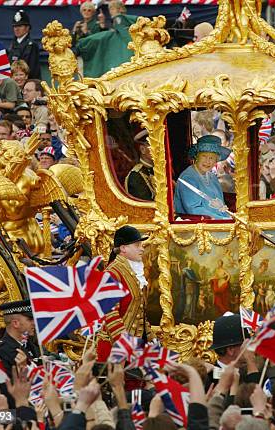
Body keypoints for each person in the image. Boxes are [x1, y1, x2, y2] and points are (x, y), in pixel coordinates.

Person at [98, 225, 151, 360]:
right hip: (116, 349)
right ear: (123, 248)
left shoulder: (134, 270)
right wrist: (125, 344)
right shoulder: (112, 273)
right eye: (137, 245)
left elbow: (140, 312)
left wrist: (150, 337)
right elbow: (110, 314)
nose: (142, 248)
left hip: (137, 344)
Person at [174, 134, 231, 219]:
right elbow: (193, 209)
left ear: (216, 161)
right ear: (196, 156)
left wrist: (228, 217)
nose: (207, 161)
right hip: (197, 226)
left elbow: (220, 206)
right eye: (204, 156)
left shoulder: (212, 177)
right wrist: (222, 219)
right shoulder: (188, 177)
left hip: (217, 222)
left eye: (211, 158)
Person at [0, 299, 40, 377]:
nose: (34, 323)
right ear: (15, 323)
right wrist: (23, 371)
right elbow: (6, 387)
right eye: (30, 319)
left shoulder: (31, 345)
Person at [8, 10, 41, 79]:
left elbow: (33, 71)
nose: (17, 29)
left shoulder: (32, 45)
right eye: (15, 26)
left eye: (20, 26)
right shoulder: (12, 45)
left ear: (27, 28)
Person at [125, 130, 155, 201]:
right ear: (142, 149)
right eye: (153, 145)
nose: (158, 149)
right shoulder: (136, 176)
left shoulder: (158, 171)